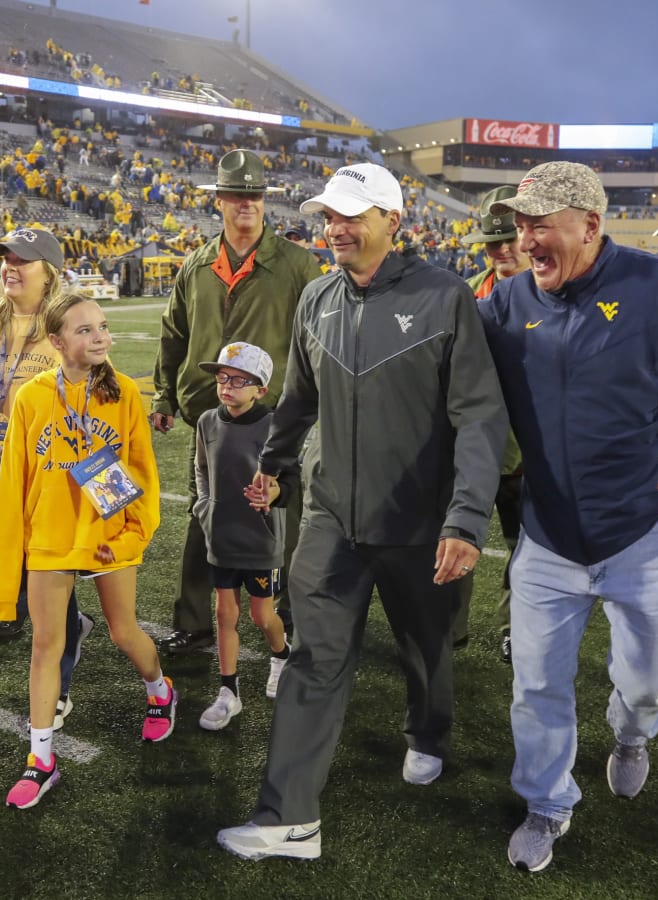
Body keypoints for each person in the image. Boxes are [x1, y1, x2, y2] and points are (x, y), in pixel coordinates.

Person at [217, 163, 508, 861]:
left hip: (420, 525)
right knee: (313, 658)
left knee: (427, 650)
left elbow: (479, 417)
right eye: (328, 216)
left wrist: (466, 520)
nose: (335, 228)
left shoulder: (445, 298)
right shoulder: (317, 297)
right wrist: (274, 467)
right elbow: (298, 402)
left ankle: (428, 732)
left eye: (351, 215)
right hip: (329, 522)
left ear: (393, 223)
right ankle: (290, 817)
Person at [477, 162, 658, 872]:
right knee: (535, 682)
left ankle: (633, 728)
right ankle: (546, 800)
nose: (525, 238)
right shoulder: (506, 305)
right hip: (549, 534)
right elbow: (447, 384)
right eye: (520, 223)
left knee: (655, 677)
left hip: (648, 532)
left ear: (590, 225)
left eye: (541, 223)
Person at [0, 294, 170, 810]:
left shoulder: (125, 394)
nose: (99, 337)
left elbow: (142, 477)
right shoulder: (30, 397)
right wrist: (7, 581)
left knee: (123, 631)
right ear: (56, 342)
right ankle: (40, 759)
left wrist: (130, 536)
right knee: (46, 645)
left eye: (103, 327)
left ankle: (160, 691)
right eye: (85, 330)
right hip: (49, 537)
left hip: (108, 535)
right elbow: (13, 486)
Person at [152, 149, 322, 654]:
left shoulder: (297, 264)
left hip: (276, 417)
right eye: (237, 194)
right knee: (206, 510)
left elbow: (320, 336)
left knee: (280, 512)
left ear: (264, 201)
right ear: (220, 201)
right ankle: (194, 622)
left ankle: (288, 615)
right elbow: (174, 332)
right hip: (212, 413)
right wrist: (165, 392)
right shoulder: (197, 264)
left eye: (255, 194)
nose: (246, 203)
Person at [0, 228, 92, 728]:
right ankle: (71, 626)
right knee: (4, 585)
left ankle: (60, 682)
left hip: (51, 487)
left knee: (52, 596)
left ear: (48, 270)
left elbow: (97, 407)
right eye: (5, 258)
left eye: (23, 259)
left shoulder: (72, 324)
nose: (9, 265)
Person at [192, 342, 296, 731]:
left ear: (260, 389)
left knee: (261, 613)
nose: (228, 386)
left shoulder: (273, 425)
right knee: (224, 613)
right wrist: (204, 506)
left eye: (239, 380)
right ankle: (228, 692)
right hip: (220, 535)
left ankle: (282, 654)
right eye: (222, 377)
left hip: (260, 538)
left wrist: (274, 493)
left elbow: (289, 478)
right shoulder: (207, 421)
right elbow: (200, 468)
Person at [463, 185, 531, 663]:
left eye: (509, 239)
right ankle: (447, 629)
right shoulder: (465, 295)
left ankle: (515, 629)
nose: (502, 250)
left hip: (531, 454)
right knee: (455, 539)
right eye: (493, 242)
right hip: (473, 449)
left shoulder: (555, 294)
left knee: (524, 553)